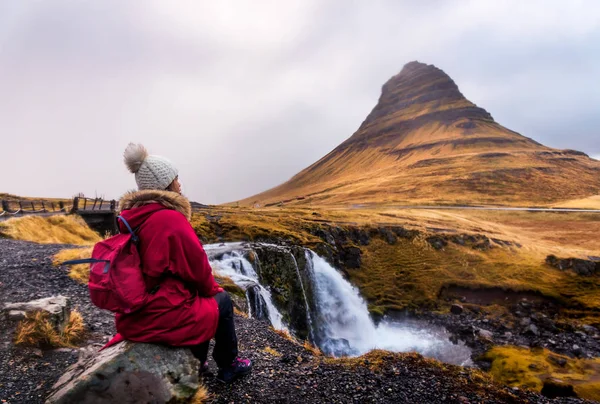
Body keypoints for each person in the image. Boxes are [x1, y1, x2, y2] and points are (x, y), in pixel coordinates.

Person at [108, 143, 252, 383]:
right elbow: (199, 271)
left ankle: (198, 363)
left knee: (198, 300)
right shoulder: (169, 220)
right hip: (156, 315)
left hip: (134, 314)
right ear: (166, 185)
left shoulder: (134, 217)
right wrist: (214, 290)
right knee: (221, 301)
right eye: (176, 179)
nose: (180, 183)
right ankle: (229, 365)